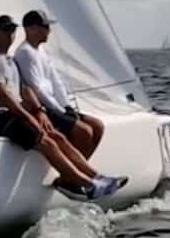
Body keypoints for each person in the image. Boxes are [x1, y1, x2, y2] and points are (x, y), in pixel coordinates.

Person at [0, 14, 126, 201]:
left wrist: (39, 111)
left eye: (12, 30)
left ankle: (96, 177)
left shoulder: (8, 59)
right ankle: (87, 185)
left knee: (57, 136)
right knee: (45, 140)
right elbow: (2, 94)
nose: (10, 34)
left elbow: (25, 89)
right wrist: (29, 117)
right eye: (5, 30)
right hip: (0, 118)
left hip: (15, 114)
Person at [14, 10, 105, 158]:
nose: (49, 31)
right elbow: (36, 88)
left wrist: (66, 106)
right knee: (84, 132)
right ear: (31, 29)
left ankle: (77, 174)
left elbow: (55, 81)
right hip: (44, 107)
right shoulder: (25, 53)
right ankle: (75, 175)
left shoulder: (41, 50)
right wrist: (60, 110)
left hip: (56, 106)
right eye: (45, 26)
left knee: (98, 126)